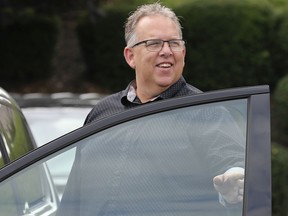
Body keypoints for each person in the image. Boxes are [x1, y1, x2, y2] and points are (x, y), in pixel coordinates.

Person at [57, 3, 244, 215]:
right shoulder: (101, 113)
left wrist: (234, 182)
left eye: (173, 43)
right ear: (130, 56)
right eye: (153, 43)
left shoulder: (205, 112)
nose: (166, 51)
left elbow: (234, 165)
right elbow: (73, 199)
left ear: (183, 52)